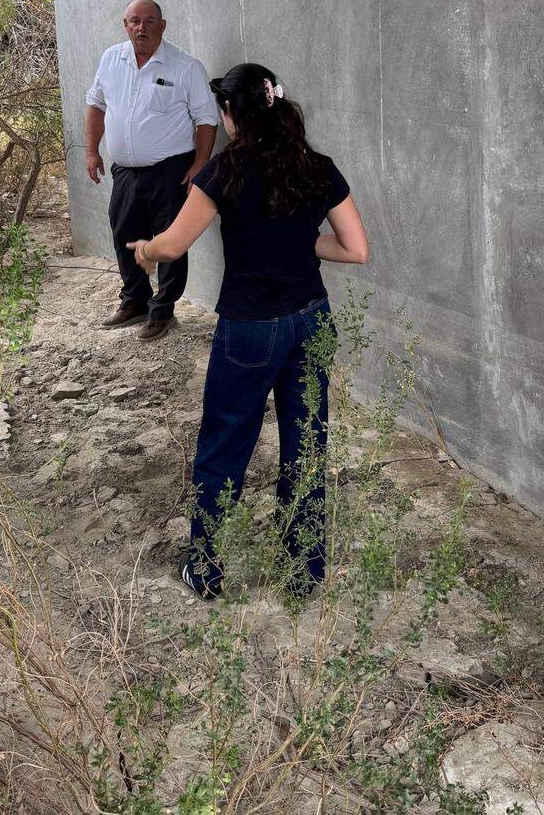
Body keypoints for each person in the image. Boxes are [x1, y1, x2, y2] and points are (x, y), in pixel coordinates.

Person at [127, 63, 368, 599]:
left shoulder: (225, 170)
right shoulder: (315, 165)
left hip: (251, 329)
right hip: (312, 320)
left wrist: (145, 250)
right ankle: (303, 571)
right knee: (307, 443)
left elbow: (173, 245)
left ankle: (206, 570)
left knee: (225, 444)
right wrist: (297, 241)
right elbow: (356, 249)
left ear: (231, 113)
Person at [84, 0, 219, 341]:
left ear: (162, 25)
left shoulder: (186, 67)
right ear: (125, 25)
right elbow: (96, 104)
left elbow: (207, 119)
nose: (141, 28)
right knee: (124, 232)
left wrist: (200, 164)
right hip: (125, 170)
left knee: (169, 238)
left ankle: (163, 311)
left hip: (170, 170)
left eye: (148, 21)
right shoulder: (111, 59)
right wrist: (91, 150)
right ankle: (135, 301)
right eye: (134, 21)